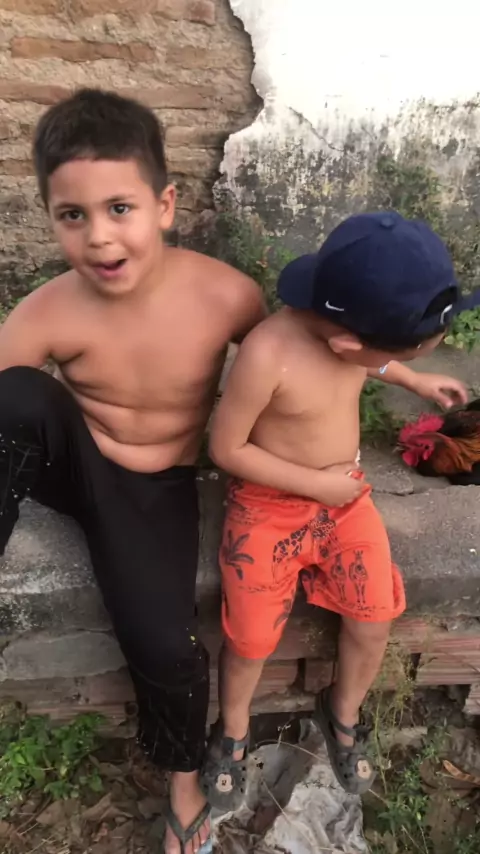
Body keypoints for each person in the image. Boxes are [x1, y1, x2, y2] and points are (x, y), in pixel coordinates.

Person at [0, 88, 266, 854]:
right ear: (51, 218)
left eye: (120, 208)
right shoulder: (48, 309)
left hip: (157, 491)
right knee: (14, 394)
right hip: (78, 463)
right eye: (72, 215)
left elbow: (284, 367)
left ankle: (183, 778)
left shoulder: (226, 296)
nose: (99, 236)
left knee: (166, 646)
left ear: (165, 205)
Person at [203, 211, 475, 808]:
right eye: (391, 354)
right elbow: (226, 448)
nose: (382, 363)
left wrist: (413, 379)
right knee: (251, 637)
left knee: (374, 616)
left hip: (343, 500)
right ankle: (233, 728)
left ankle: (342, 710)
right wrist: (313, 485)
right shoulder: (267, 354)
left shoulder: (348, 332)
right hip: (268, 506)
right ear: (347, 342)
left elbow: (372, 357)